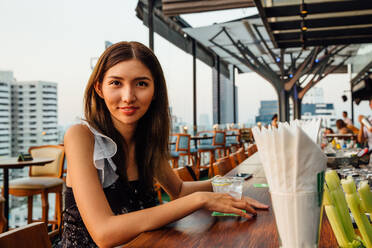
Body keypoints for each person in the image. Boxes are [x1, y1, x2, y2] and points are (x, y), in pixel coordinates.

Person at [61, 41, 268, 247]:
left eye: (141, 83)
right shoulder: (80, 136)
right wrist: (200, 199)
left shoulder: (146, 139)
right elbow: (104, 233)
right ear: (99, 88)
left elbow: (178, 190)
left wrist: (230, 183)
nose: (128, 97)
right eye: (116, 83)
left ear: (155, 91)